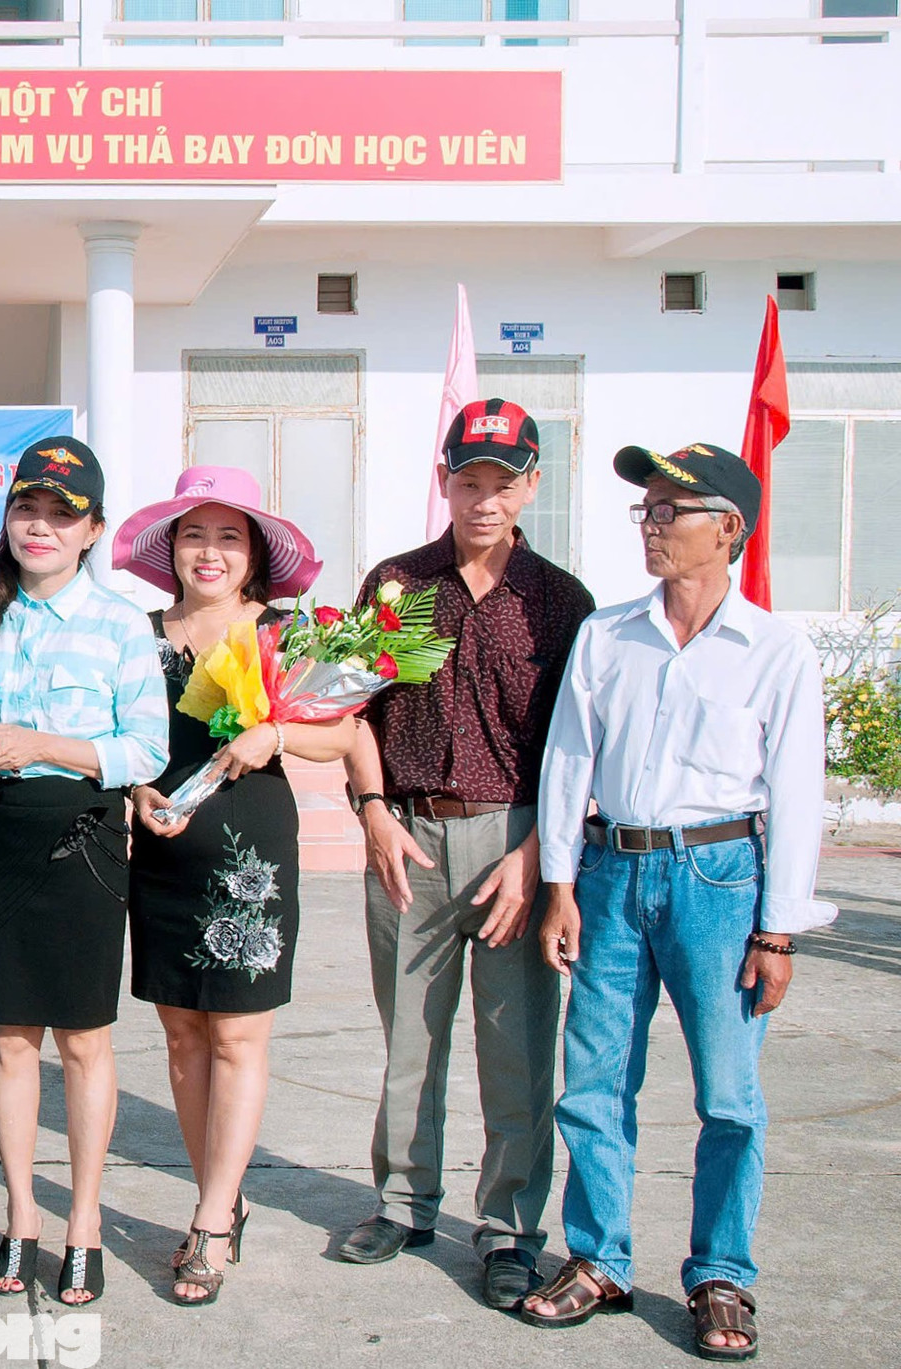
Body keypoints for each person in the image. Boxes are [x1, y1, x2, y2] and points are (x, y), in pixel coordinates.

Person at [520, 443, 831, 1362]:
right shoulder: (608, 635)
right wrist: (561, 886)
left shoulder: (774, 648)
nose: (651, 525)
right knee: (593, 1084)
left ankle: (722, 1273)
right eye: (646, 511)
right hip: (612, 876)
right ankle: (599, 1258)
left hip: (721, 881)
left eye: (670, 511)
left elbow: (798, 793)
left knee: (729, 1096)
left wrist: (778, 930)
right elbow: (569, 761)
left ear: (728, 529)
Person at [337, 399, 595, 1311]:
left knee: (516, 1044)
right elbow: (351, 710)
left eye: (502, 482)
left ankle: (510, 1225)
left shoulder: (559, 600)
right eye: (467, 480)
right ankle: (403, 1202)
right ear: (445, 480)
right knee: (410, 1034)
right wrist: (372, 811)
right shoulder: (398, 585)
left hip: (513, 841)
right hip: (408, 832)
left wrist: (538, 855)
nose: (483, 499)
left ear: (530, 485)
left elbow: (579, 747)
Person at [112, 467, 351, 1306]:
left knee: (239, 1035)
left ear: (253, 554)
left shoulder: (288, 632)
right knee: (181, 1035)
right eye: (192, 535)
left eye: (227, 536)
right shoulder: (135, 631)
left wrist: (277, 731)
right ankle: (225, 1191)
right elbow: (117, 738)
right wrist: (135, 793)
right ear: (169, 548)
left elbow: (347, 735)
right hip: (163, 858)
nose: (208, 552)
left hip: (252, 856)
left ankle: (212, 1218)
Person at [0, 438, 168, 1308]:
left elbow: (146, 744)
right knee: (9, 1039)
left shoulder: (120, 622)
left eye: (61, 514)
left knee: (82, 1039)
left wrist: (45, 744)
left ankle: (82, 1221)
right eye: (27, 510)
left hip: (79, 834)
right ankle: (21, 1215)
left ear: (94, 530)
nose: (39, 526)